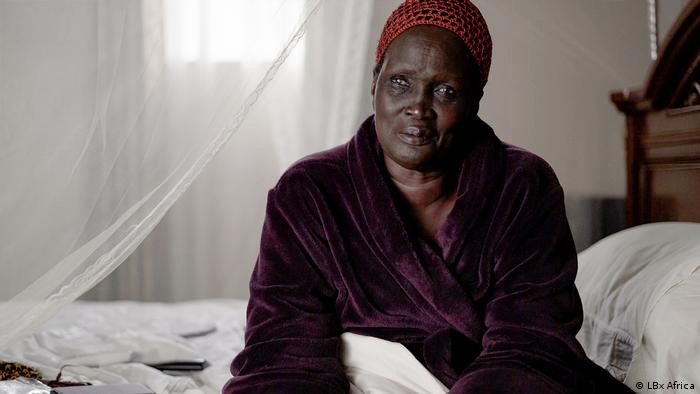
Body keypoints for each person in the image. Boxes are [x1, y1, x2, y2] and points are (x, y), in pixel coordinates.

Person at [223, 1, 634, 392]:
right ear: (374, 83)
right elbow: (283, 350)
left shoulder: (522, 186)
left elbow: (531, 344)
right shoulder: (309, 192)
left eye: (444, 92)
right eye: (400, 83)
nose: (418, 107)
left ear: (475, 100)